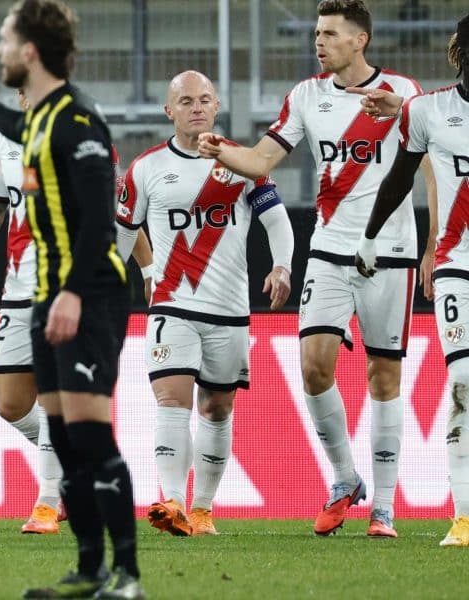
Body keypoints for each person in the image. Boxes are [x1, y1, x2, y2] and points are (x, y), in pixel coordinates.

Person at [198, 0, 435, 538]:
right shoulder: (307, 96)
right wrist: (222, 149)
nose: (318, 42)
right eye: (316, 33)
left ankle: (384, 510)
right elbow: (261, 161)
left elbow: (434, 165)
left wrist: (431, 247)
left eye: (329, 33)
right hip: (328, 248)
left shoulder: (405, 94)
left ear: (360, 41)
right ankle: (345, 478)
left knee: (384, 375)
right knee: (313, 365)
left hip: (391, 250)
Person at [0, 1, 143, 597]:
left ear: (30, 53)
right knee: (62, 438)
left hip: (87, 294)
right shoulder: (38, 121)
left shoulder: (79, 120)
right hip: (47, 296)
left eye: (6, 41)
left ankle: (128, 577)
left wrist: (69, 290)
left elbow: (99, 219)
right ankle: (90, 570)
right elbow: (19, 132)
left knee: (90, 436)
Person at [0, 90, 152, 535]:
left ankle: (46, 502)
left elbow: (118, 214)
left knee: (53, 393)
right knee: (10, 402)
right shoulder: (5, 140)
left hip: (66, 285)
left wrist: (147, 268)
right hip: (18, 285)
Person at [116, 71, 294, 537]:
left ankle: (202, 508)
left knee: (216, 409)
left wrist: (282, 266)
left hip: (229, 310)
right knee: (172, 400)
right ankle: (172, 501)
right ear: (168, 110)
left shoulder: (244, 163)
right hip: (171, 307)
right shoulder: (147, 168)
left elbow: (277, 222)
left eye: (205, 100)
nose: (197, 107)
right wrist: (126, 278)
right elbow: (122, 233)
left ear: (216, 106)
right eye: (186, 100)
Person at [352, 13, 469, 547]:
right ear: (459, 54)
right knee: (465, 384)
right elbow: (401, 174)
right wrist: (371, 235)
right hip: (457, 266)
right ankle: (464, 516)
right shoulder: (429, 111)